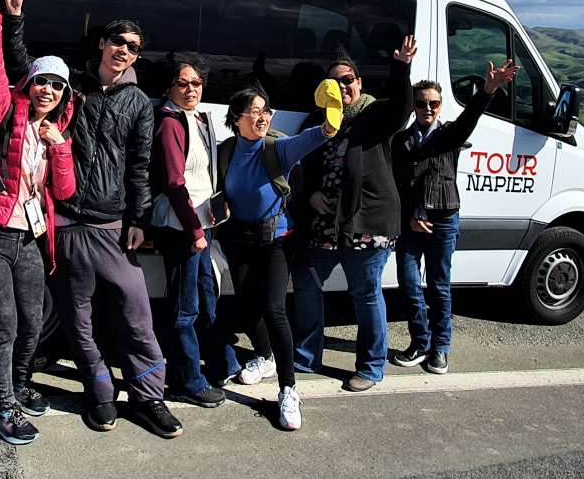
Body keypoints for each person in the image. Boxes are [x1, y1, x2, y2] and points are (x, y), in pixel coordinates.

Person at [14, 9, 181, 439]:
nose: (124, 51)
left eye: (133, 47)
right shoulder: (73, 90)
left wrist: (139, 218)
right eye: (118, 42)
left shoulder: (139, 103)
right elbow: (24, 74)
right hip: (68, 223)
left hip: (112, 227)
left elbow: (141, 166)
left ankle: (149, 399)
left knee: (136, 316)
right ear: (102, 45)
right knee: (78, 320)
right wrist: (12, 19)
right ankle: (100, 393)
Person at [0, 0, 77, 446]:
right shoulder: (5, 112)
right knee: (5, 322)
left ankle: (21, 384)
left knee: (34, 321)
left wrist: (60, 147)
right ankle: (1, 408)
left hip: (30, 237)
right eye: (40, 82)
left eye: (56, 85)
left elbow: (66, 193)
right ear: (29, 85)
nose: (47, 90)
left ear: (64, 95)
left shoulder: (57, 134)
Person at [291, 36, 417, 392]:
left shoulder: (375, 114)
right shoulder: (317, 121)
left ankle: (371, 367)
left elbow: (403, 106)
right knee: (306, 282)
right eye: (335, 81)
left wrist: (401, 68)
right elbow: (299, 165)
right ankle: (305, 356)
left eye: (349, 79)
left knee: (365, 294)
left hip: (366, 223)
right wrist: (310, 193)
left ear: (359, 83)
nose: (343, 86)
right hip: (324, 223)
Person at [216, 83, 341, 430]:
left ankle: (289, 390)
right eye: (253, 111)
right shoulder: (225, 151)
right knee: (247, 304)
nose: (261, 116)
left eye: (265, 110)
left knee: (274, 309)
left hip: (274, 240)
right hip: (238, 238)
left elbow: (322, 133)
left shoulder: (278, 149)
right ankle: (264, 355)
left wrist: (331, 113)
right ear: (236, 118)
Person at [389, 66, 516, 375]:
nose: (427, 109)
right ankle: (420, 342)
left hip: (443, 220)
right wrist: (410, 217)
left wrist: (487, 91)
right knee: (408, 283)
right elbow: (396, 185)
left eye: (433, 103)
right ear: (414, 106)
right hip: (410, 223)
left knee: (439, 285)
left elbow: (469, 118)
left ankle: (440, 348)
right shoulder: (401, 141)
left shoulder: (449, 135)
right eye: (421, 103)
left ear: (441, 106)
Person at [150, 57, 238, 407]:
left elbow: (204, 176)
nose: (191, 90)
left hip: (203, 223)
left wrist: (218, 207)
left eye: (197, 84)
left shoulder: (199, 119)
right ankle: (188, 381)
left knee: (206, 295)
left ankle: (210, 366)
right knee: (185, 308)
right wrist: (194, 230)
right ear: (170, 87)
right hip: (184, 227)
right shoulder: (169, 123)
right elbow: (174, 182)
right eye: (183, 83)